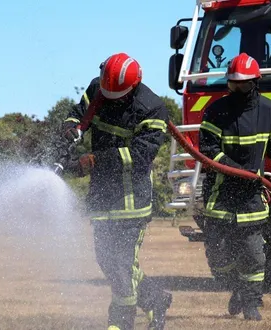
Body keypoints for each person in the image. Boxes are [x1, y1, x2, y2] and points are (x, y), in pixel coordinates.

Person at [61, 52, 173, 330]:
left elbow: (139, 156)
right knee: (107, 261)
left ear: (133, 86)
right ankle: (156, 299)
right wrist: (70, 126)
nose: (111, 100)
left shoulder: (152, 108)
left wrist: (93, 160)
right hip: (102, 196)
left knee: (122, 264)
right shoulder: (99, 88)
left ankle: (121, 323)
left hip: (131, 200)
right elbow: (78, 112)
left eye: (118, 96)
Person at [198, 52, 271, 321]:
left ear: (255, 82)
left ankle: (251, 302)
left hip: (252, 197)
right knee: (217, 256)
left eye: (243, 84)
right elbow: (208, 151)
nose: (237, 89)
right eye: (233, 84)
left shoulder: (270, 111)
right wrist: (237, 170)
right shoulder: (216, 111)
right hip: (220, 194)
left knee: (253, 254)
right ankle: (237, 287)